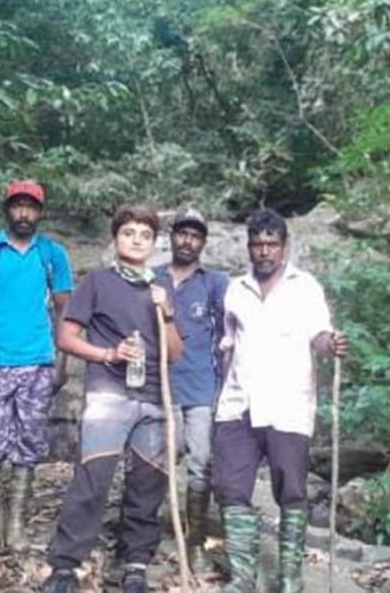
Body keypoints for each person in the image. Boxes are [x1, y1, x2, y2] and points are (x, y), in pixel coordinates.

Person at [41, 205, 184, 593]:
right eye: (129, 232)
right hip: (108, 392)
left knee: (147, 484)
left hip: (154, 398)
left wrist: (167, 314)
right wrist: (109, 354)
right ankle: (65, 567)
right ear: (116, 238)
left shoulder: (162, 288)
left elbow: (174, 354)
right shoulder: (97, 283)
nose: (136, 240)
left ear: (154, 244)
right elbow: (66, 338)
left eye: (144, 235)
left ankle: (135, 564)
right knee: (93, 479)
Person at [213, 208, 348, 593]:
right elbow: (227, 346)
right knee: (232, 488)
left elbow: (319, 336)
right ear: (249, 248)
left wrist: (331, 344)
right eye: (257, 244)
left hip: (288, 406)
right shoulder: (236, 289)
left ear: (284, 247)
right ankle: (242, 579)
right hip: (238, 405)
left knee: (291, 491)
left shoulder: (305, 287)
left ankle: (290, 578)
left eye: (272, 244)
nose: (264, 251)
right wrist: (222, 394)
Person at [0, 179, 73, 557]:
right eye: (17, 205)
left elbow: (63, 310)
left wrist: (62, 361)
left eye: (31, 206)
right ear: (6, 209)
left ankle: (16, 529)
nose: (24, 213)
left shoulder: (52, 254)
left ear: (40, 212)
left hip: (38, 361)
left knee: (28, 444)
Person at [153, 209, 228, 574]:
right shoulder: (152, 279)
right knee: (158, 461)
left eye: (195, 235)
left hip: (201, 388)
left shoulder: (214, 283)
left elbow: (227, 338)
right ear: (171, 237)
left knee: (201, 465)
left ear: (203, 242)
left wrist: (224, 388)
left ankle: (195, 543)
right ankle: (150, 535)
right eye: (182, 233)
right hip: (160, 387)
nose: (187, 240)